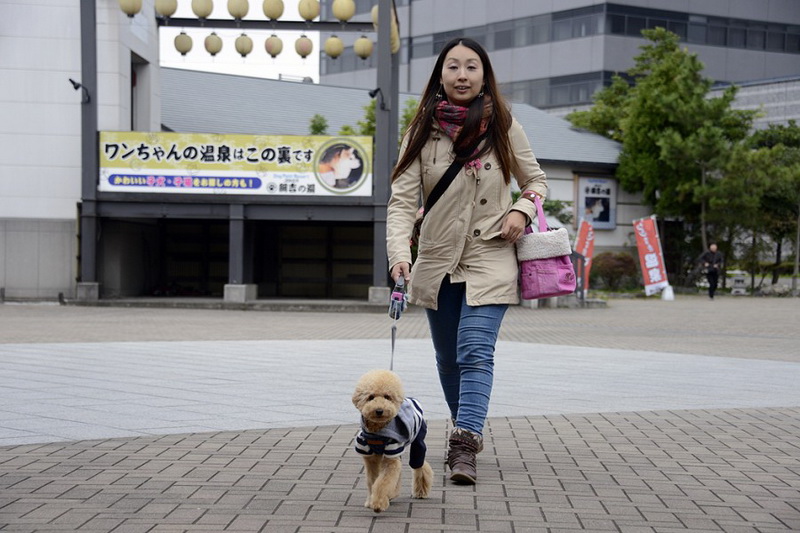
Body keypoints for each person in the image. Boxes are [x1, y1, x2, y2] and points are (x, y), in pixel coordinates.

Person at [386, 37, 547, 485]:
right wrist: (400, 256)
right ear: (440, 74)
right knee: (447, 359)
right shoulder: (420, 131)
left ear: (483, 75)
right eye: (453, 66)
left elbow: (535, 180)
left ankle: (464, 442)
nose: (462, 75)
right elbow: (401, 204)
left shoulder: (504, 125)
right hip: (437, 260)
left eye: (471, 67)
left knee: (475, 350)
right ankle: (467, 427)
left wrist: (522, 209)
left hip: (490, 254)